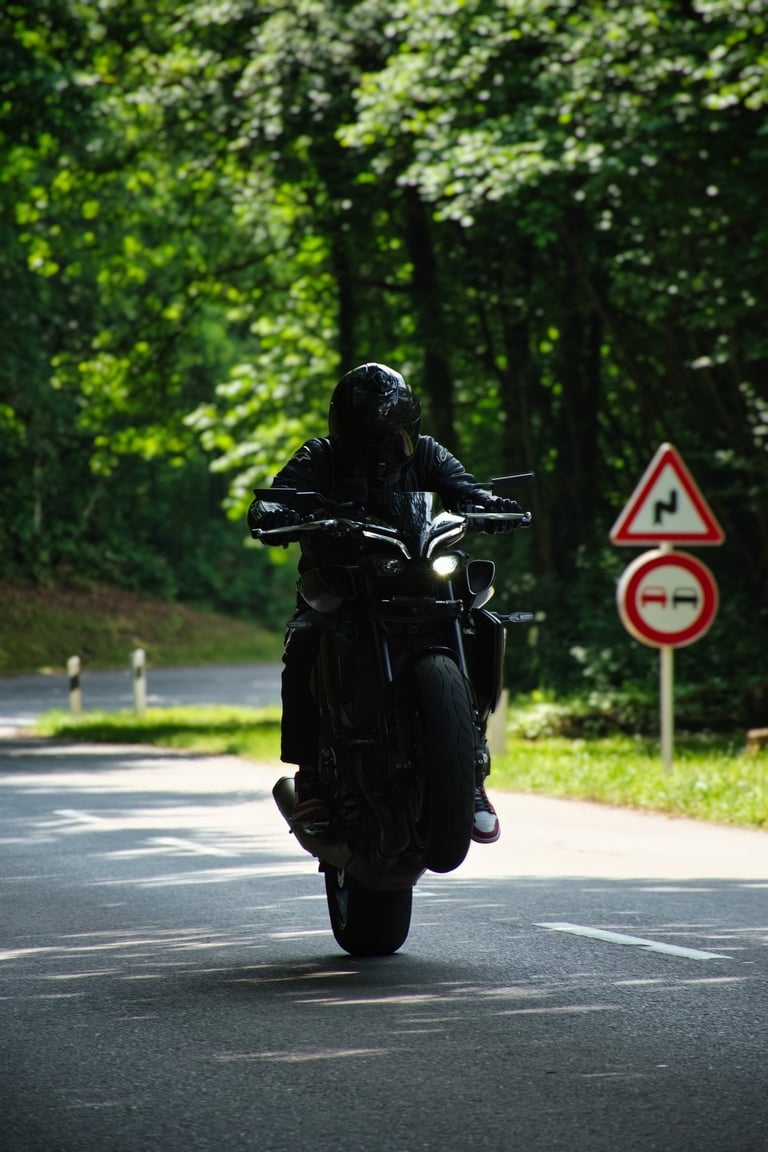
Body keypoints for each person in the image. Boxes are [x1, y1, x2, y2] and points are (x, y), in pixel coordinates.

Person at [248, 362, 522, 844]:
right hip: (346, 584)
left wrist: (488, 505)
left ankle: (469, 773)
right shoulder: (320, 456)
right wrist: (274, 510)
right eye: (366, 435)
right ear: (342, 430)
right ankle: (310, 778)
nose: (381, 449)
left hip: (421, 578)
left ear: (409, 429)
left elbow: (463, 487)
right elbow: (281, 496)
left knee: (480, 620)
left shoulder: (428, 453)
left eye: (392, 436)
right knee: (306, 640)